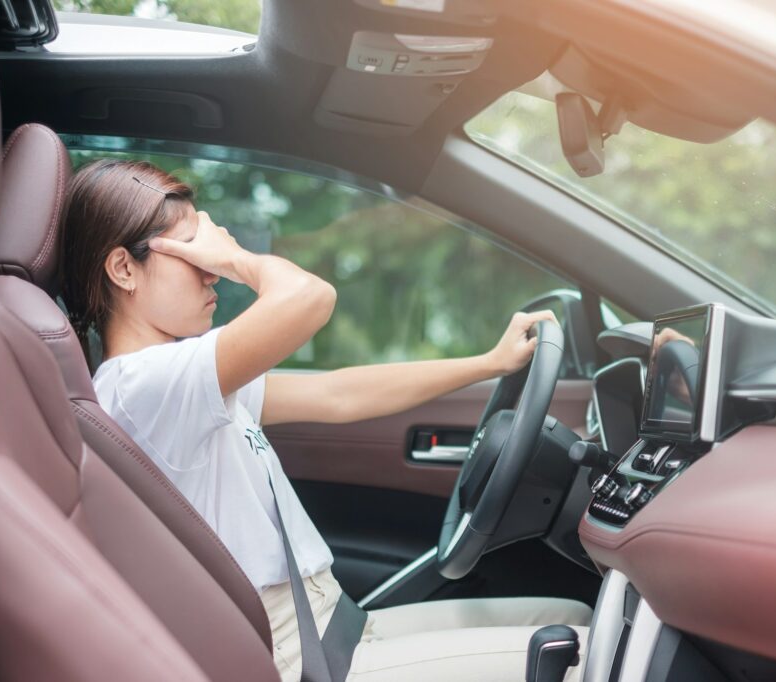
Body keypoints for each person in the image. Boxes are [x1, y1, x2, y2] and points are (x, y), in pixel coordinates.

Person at [59, 159, 591, 682]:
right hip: (297, 658)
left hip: (334, 627)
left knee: (576, 618)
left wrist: (488, 363)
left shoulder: (184, 377)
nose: (210, 269)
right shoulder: (141, 387)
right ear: (124, 268)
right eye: (193, 250)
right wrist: (239, 257)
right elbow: (311, 298)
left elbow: (339, 394)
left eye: (210, 253)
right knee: (587, 654)